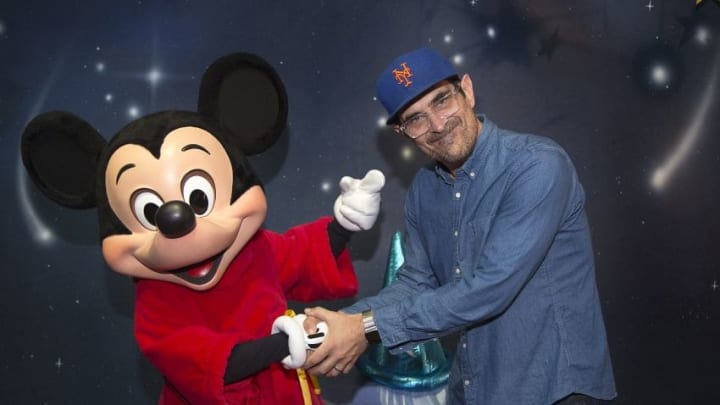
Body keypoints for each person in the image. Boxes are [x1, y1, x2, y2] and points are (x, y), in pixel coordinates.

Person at [302, 47, 617, 404]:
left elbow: (489, 288)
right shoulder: (424, 190)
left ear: (467, 90)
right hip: (477, 389)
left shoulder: (537, 165)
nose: (437, 124)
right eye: (416, 119)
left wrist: (365, 329)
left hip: (554, 390)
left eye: (442, 101)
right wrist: (339, 323)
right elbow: (416, 282)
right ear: (404, 133)